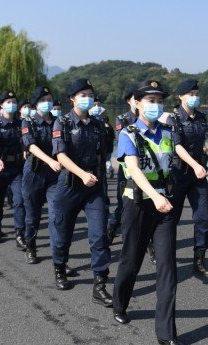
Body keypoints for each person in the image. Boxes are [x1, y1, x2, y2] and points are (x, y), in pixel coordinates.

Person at [112, 80, 189, 345]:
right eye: (149, 100)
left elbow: (174, 161)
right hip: (139, 205)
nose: (155, 105)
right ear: (137, 103)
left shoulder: (168, 132)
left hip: (164, 206)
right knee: (131, 259)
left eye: (159, 100)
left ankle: (167, 332)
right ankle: (120, 303)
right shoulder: (128, 134)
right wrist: (154, 196)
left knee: (168, 266)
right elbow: (132, 169)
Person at [50, 78, 112, 308]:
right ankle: (59, 267)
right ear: (72, 99)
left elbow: (104, 152)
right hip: (70, 185)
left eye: (90, 94)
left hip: (94, 186)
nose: (88, 98)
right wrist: (81, 173)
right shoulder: (62, 123)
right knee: (62, 232)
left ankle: (100, 285)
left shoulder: (98, 124)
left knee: (98, 236)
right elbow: (61, 156)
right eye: (82, 94)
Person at [171, 79, 208, 279]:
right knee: (171, 217)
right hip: (178, 173)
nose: (195, 97)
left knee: (203, 217)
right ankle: (160, 250)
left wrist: (204, 159)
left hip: (198, 175)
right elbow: (177, 146)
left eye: (197, 94)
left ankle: (199, 259)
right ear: (180, 96)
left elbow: (204, 141)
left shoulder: (202, 118)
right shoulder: (173, 119)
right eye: (190, 94)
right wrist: (195, 164)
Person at [21, 86, 62, 264]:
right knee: (33, 216)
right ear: (35, 104)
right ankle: (30, 245)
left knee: (56, 214)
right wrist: (50, 160)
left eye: (49, 99)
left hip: (54, 175)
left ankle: (59, 258)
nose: (47, 103)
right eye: (43, 100)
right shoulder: (28, 122)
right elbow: (31, 146)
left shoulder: (58, 121)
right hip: (34, 172)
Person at [0, 90, 25, 246]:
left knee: (19, 200)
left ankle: (20, 234)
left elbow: (25, 142)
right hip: (0, 167)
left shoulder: (21, 122)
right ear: (2, 105)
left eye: (14, 102)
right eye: (8, 102)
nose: (12, 105)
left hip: (17, 167)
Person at [107, 86, 137, 244]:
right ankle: (112, 226)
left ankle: (149, 245)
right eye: (135, 99)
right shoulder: (123, 119)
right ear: (129, 101)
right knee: (124, 203)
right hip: (127, 170)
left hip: (147, 169)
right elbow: (122, 141)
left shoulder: (153, 120)